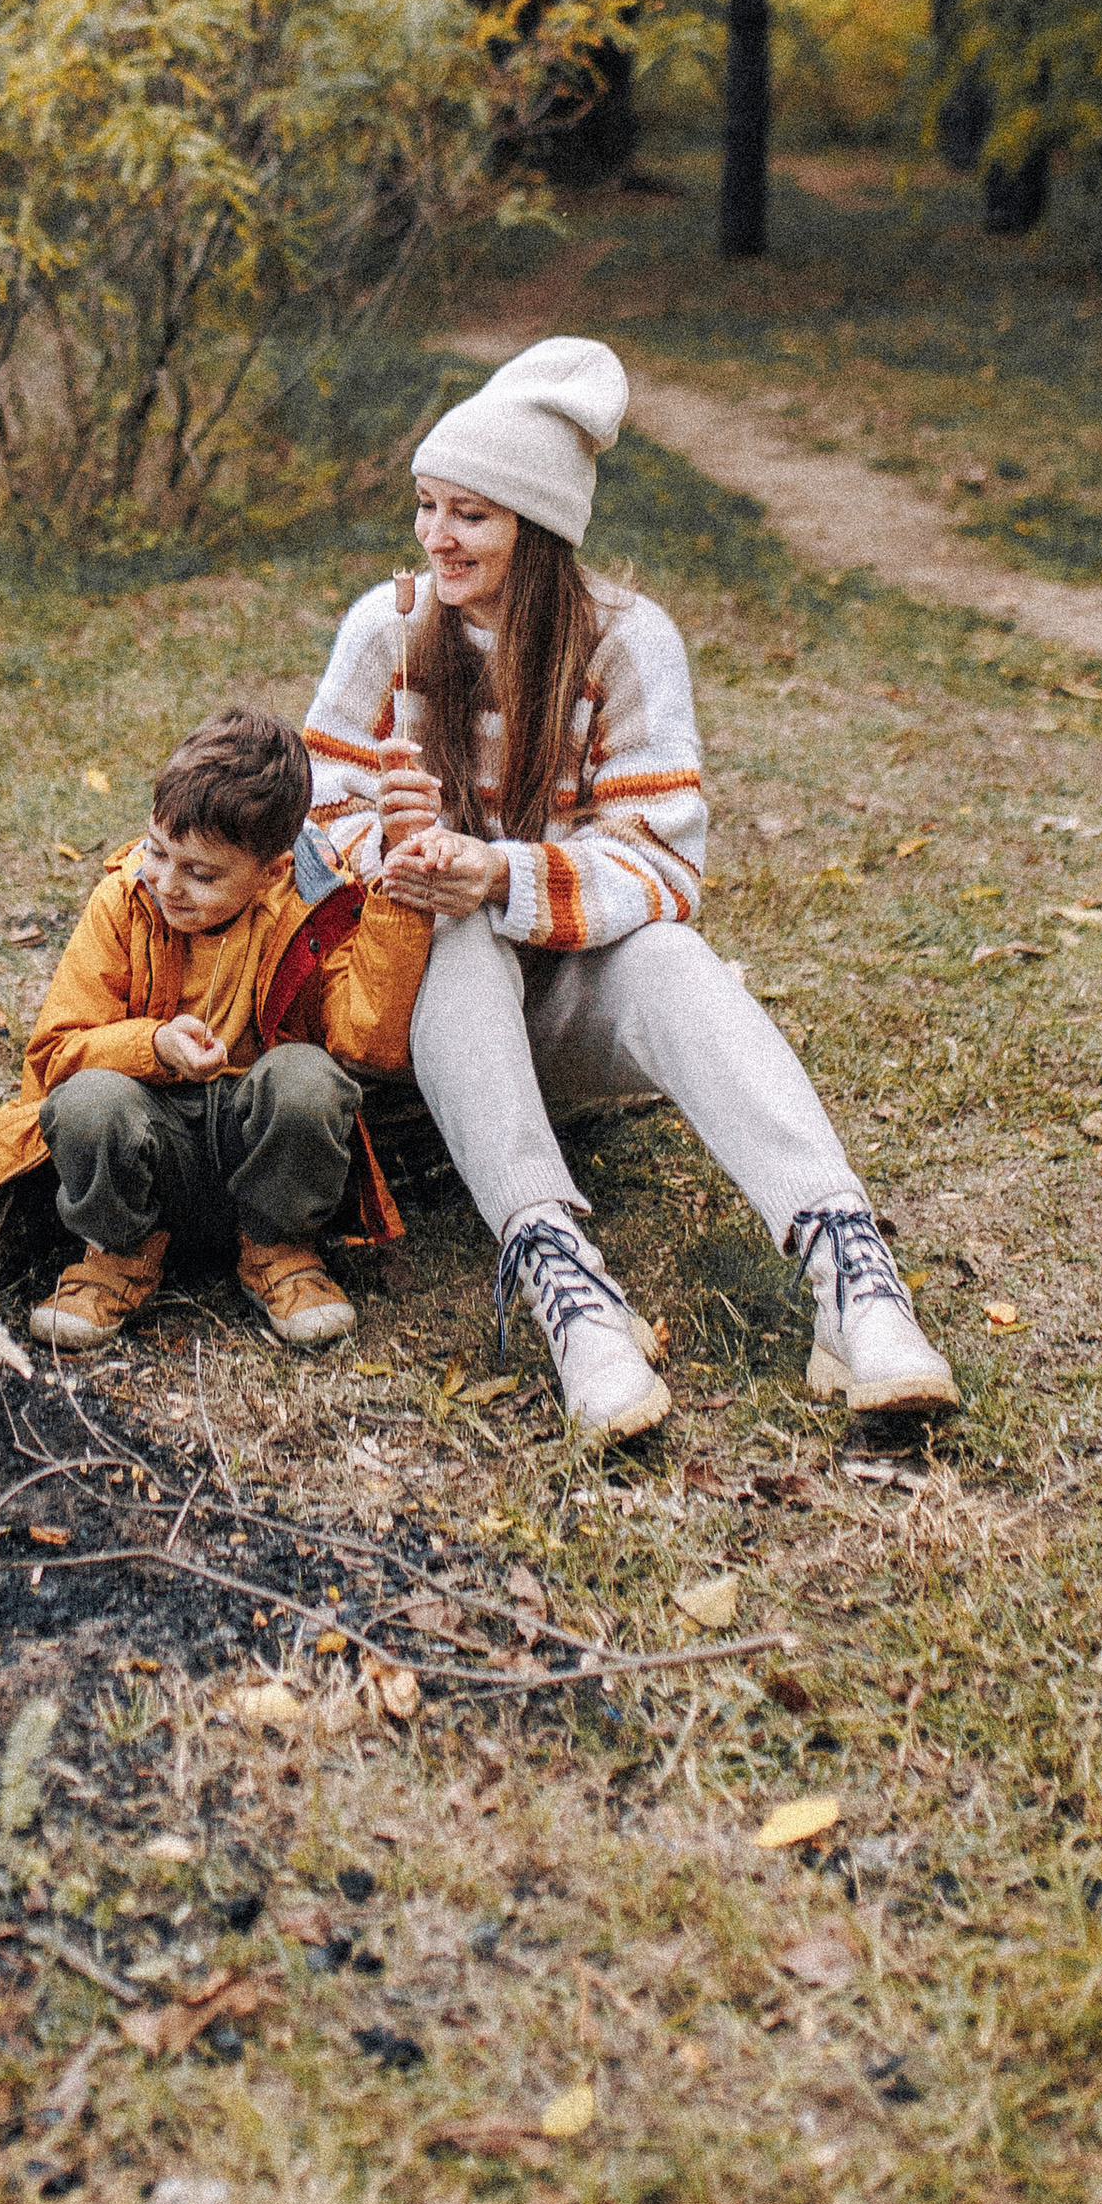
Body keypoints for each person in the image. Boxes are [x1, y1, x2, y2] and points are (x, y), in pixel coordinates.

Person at [300, 336, 957, 1445]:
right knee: (453, 937)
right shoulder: (389, 625)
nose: (435, 536)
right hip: (416, 1024)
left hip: (565, 1014)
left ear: (537, 525)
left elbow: (660, 860)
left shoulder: (626, 643)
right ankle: (565, 1289)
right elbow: (318, 807)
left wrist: (498, 871)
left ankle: (848, 1268)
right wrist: (397, 857)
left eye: (471, 513)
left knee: (667, 955)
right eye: (425, 505)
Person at [0, 704, 432, 1353]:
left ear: (273, 870)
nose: (168, 884)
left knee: (309, 1079)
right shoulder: (124, 903)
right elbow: (55, 1056)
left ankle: (279, 1250)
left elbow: (366, 1037)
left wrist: (399, 900)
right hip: (152, 1148)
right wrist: (153, 1045)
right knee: (88, 1099)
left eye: (201, 873)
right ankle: (119, 1254)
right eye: (157, 850)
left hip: (253, 1148)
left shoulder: (308, 913)